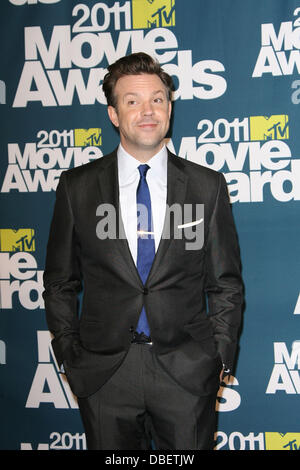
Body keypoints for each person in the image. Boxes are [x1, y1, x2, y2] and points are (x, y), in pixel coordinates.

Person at [43, 52, 243, 450]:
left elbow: (225, 284)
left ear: (169, 107)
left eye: (157, 99)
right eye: (132, 101)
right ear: (114, 115)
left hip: (186, 371)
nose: (147, 110)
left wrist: (217, 356)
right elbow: (60, 282)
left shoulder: (207, 187)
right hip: (105, 373)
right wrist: (68, 352)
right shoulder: (77, 187)